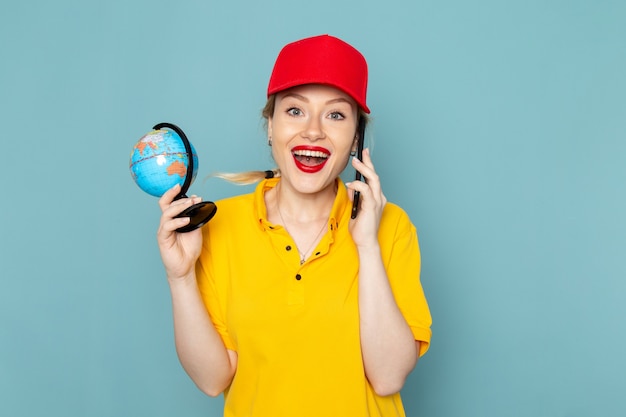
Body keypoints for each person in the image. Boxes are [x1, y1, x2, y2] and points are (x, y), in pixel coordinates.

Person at [157, 34, 432, 417]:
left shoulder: (391, 226)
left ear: (356, 138)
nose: (314, 131)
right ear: (270, 127)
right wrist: (181, 277)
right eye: (295, 111)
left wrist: (367, 246)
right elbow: (212, 379)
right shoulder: (219, 225)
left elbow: (387, 378)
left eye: (336, 114)